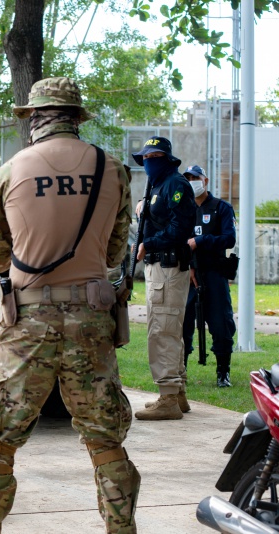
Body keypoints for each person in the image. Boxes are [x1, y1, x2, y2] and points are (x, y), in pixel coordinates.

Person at [0, 77, 139, 534]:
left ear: (34, 118)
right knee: (105, 440)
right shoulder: (112, 169)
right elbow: (114, 253)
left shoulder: (9, 172)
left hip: (27, 324)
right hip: (91, 320)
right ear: (77, 119)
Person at [131, 136, 196, 421]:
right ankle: (177, 393)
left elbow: (181, 227)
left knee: (163, 328)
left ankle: (168, 396)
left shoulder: (176, 185)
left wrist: (150, 243)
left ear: (166, 159)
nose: (147, 162)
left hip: (168, 267)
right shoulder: (158, 185)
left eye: (153, 157)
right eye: (144, 157)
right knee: (166, 326)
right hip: (159, 268)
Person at [181, 165, 237, 387]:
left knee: (221, 324)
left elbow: (229, 239)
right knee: (183, 324)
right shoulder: (182, 209)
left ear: (204, 180)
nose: (192, 181)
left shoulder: (221, 208)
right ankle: (180, 371)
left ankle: (223, 372)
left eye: (196, 177)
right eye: (188, 178)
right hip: (187, 274)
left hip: (214, 274)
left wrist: (201, 241)